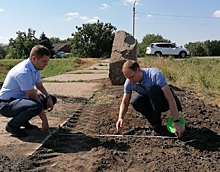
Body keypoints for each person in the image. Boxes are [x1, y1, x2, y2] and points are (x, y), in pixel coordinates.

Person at [116, 60, 185, 138]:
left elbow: (170, 98)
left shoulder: (155, 75)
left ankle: (157, 121)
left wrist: (177, 122)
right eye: (128, 78)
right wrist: (120, 118)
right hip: (151, 101)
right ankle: (155, 123)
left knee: (154, 90)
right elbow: (125, 102)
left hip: (164, 101)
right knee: (135, 101)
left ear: (138, 70)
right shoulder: (129, 82)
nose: (130, 80)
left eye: (132, 77)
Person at [0, 45, 57, 137]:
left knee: (51, 99)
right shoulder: (23, 72)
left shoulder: (35, 68)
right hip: (6, 104)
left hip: (20, 101)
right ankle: (12, 126)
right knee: (35, 106)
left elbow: (39, 86)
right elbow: (33, 97)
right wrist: (44, 121)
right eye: (44, 61)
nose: (46, 64)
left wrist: (48, 97)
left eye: (47, 62)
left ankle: (23, 121)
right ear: (34, 58)